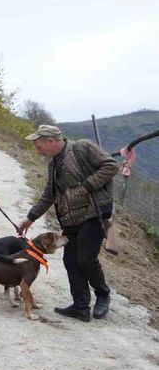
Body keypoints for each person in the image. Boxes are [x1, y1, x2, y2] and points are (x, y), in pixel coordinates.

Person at [17, 124, 119, 322]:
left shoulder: (82, 147)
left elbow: (110, 166)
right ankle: (81, 307)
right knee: (70, 261)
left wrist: (87, 187)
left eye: (39, 146)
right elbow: (49, 194)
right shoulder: (53, 164)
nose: (38, 150)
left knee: (86, 259)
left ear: (51, 140)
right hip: (70, 219)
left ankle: (103, 295)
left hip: (94, 213)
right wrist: (30, 218)